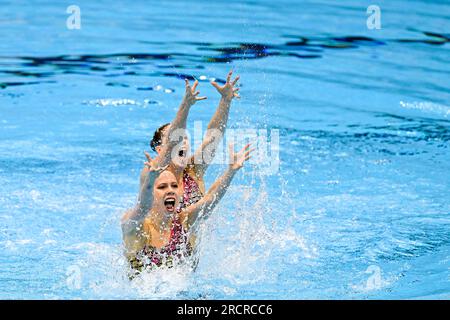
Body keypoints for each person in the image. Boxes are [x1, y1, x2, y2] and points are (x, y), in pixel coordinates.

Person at [121, 143, 253, 273]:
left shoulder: (185, 220)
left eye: (174, 186)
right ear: (151, 193)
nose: (170, 191)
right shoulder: (136, 227)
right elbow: (143, 206)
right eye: (162, 187)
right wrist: (150, 180)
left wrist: (231, 171)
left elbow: (210, 198)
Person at [141, 71, 241, 211]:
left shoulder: (194, 170)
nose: (183, 142)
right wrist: (186, 105)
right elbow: (171, 144)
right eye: (178, 138)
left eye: (185, 138)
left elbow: (213, 136)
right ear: (159, 150)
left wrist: (225, 100)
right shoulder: (153, 175)